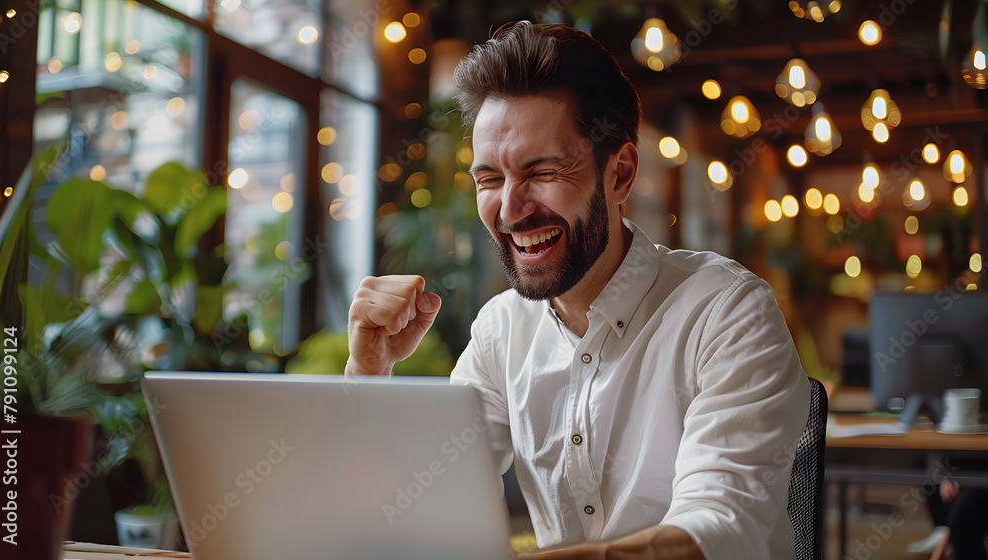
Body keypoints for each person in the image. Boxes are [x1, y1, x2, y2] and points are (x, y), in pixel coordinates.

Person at [346, 21, 809, 560]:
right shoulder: (501, 330)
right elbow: (427, 498)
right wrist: (370, 377)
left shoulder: (726, 311)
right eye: (489, 179)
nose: (511, 209)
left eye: (542, 171)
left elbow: (722, 526)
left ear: (620, 174)